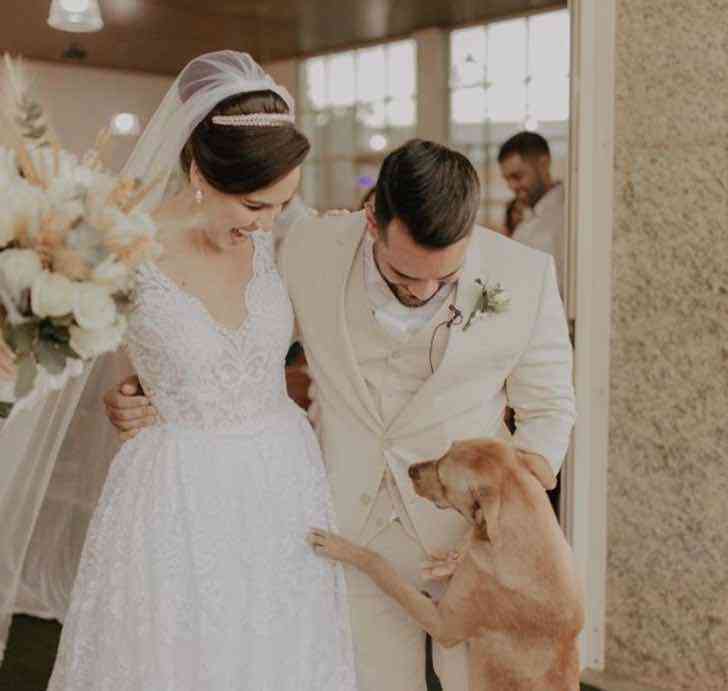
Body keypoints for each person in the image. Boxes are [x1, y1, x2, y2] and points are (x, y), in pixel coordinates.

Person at [107, 138, 577, 690]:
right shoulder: (306, 246)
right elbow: (227, 327)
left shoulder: (525, 274)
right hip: (347, 518)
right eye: (405, 276)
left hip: (468, 538)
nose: (422, 291)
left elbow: (549, 409)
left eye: (443, 279)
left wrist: (501, 530)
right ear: (372, 219)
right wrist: (148, 386)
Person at [0, 51, 357, 690]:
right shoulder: (120, 247)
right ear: (198, 173)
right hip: (178, 491)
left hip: (283, 479)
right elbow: (47, 357)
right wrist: (127, 392)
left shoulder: (280, 233)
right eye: (253, 205)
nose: (268, 222)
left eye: (282, 204)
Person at [498, 131, 566, 296]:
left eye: (517, 176)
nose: (512, 186)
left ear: (543, 164)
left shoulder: (566, 214)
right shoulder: (524, 220)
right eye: (507, 179)